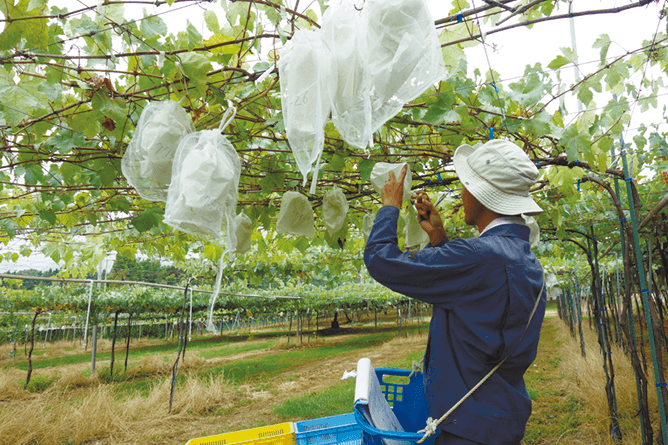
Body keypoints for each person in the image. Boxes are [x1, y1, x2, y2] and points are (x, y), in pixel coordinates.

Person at [364, 139, 547, 445]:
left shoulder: (478, 256)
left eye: (467, 185)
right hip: (499, 415)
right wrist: (439, 239)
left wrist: (389, 208)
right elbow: (480, 307)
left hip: (467, 427)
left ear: (481, 195)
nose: (462, 194)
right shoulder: (525, 258)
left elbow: (382, 261)